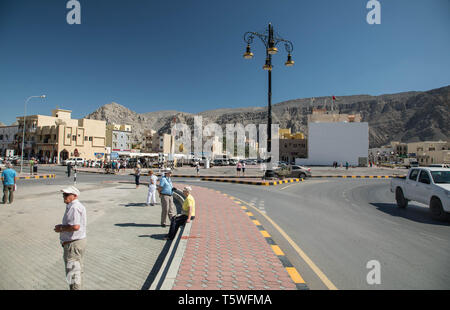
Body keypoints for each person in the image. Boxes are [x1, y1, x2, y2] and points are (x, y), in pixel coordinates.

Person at [53, 186, 87, 290]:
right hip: (77, 243)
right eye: (63, 194)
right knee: (77, 271)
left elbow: (75, 226)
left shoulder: (74, 207)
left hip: (73, 245)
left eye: (67, 194)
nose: (64, 196)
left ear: (75, 196)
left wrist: (61, 228)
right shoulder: (73, 206)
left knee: (73, 274)